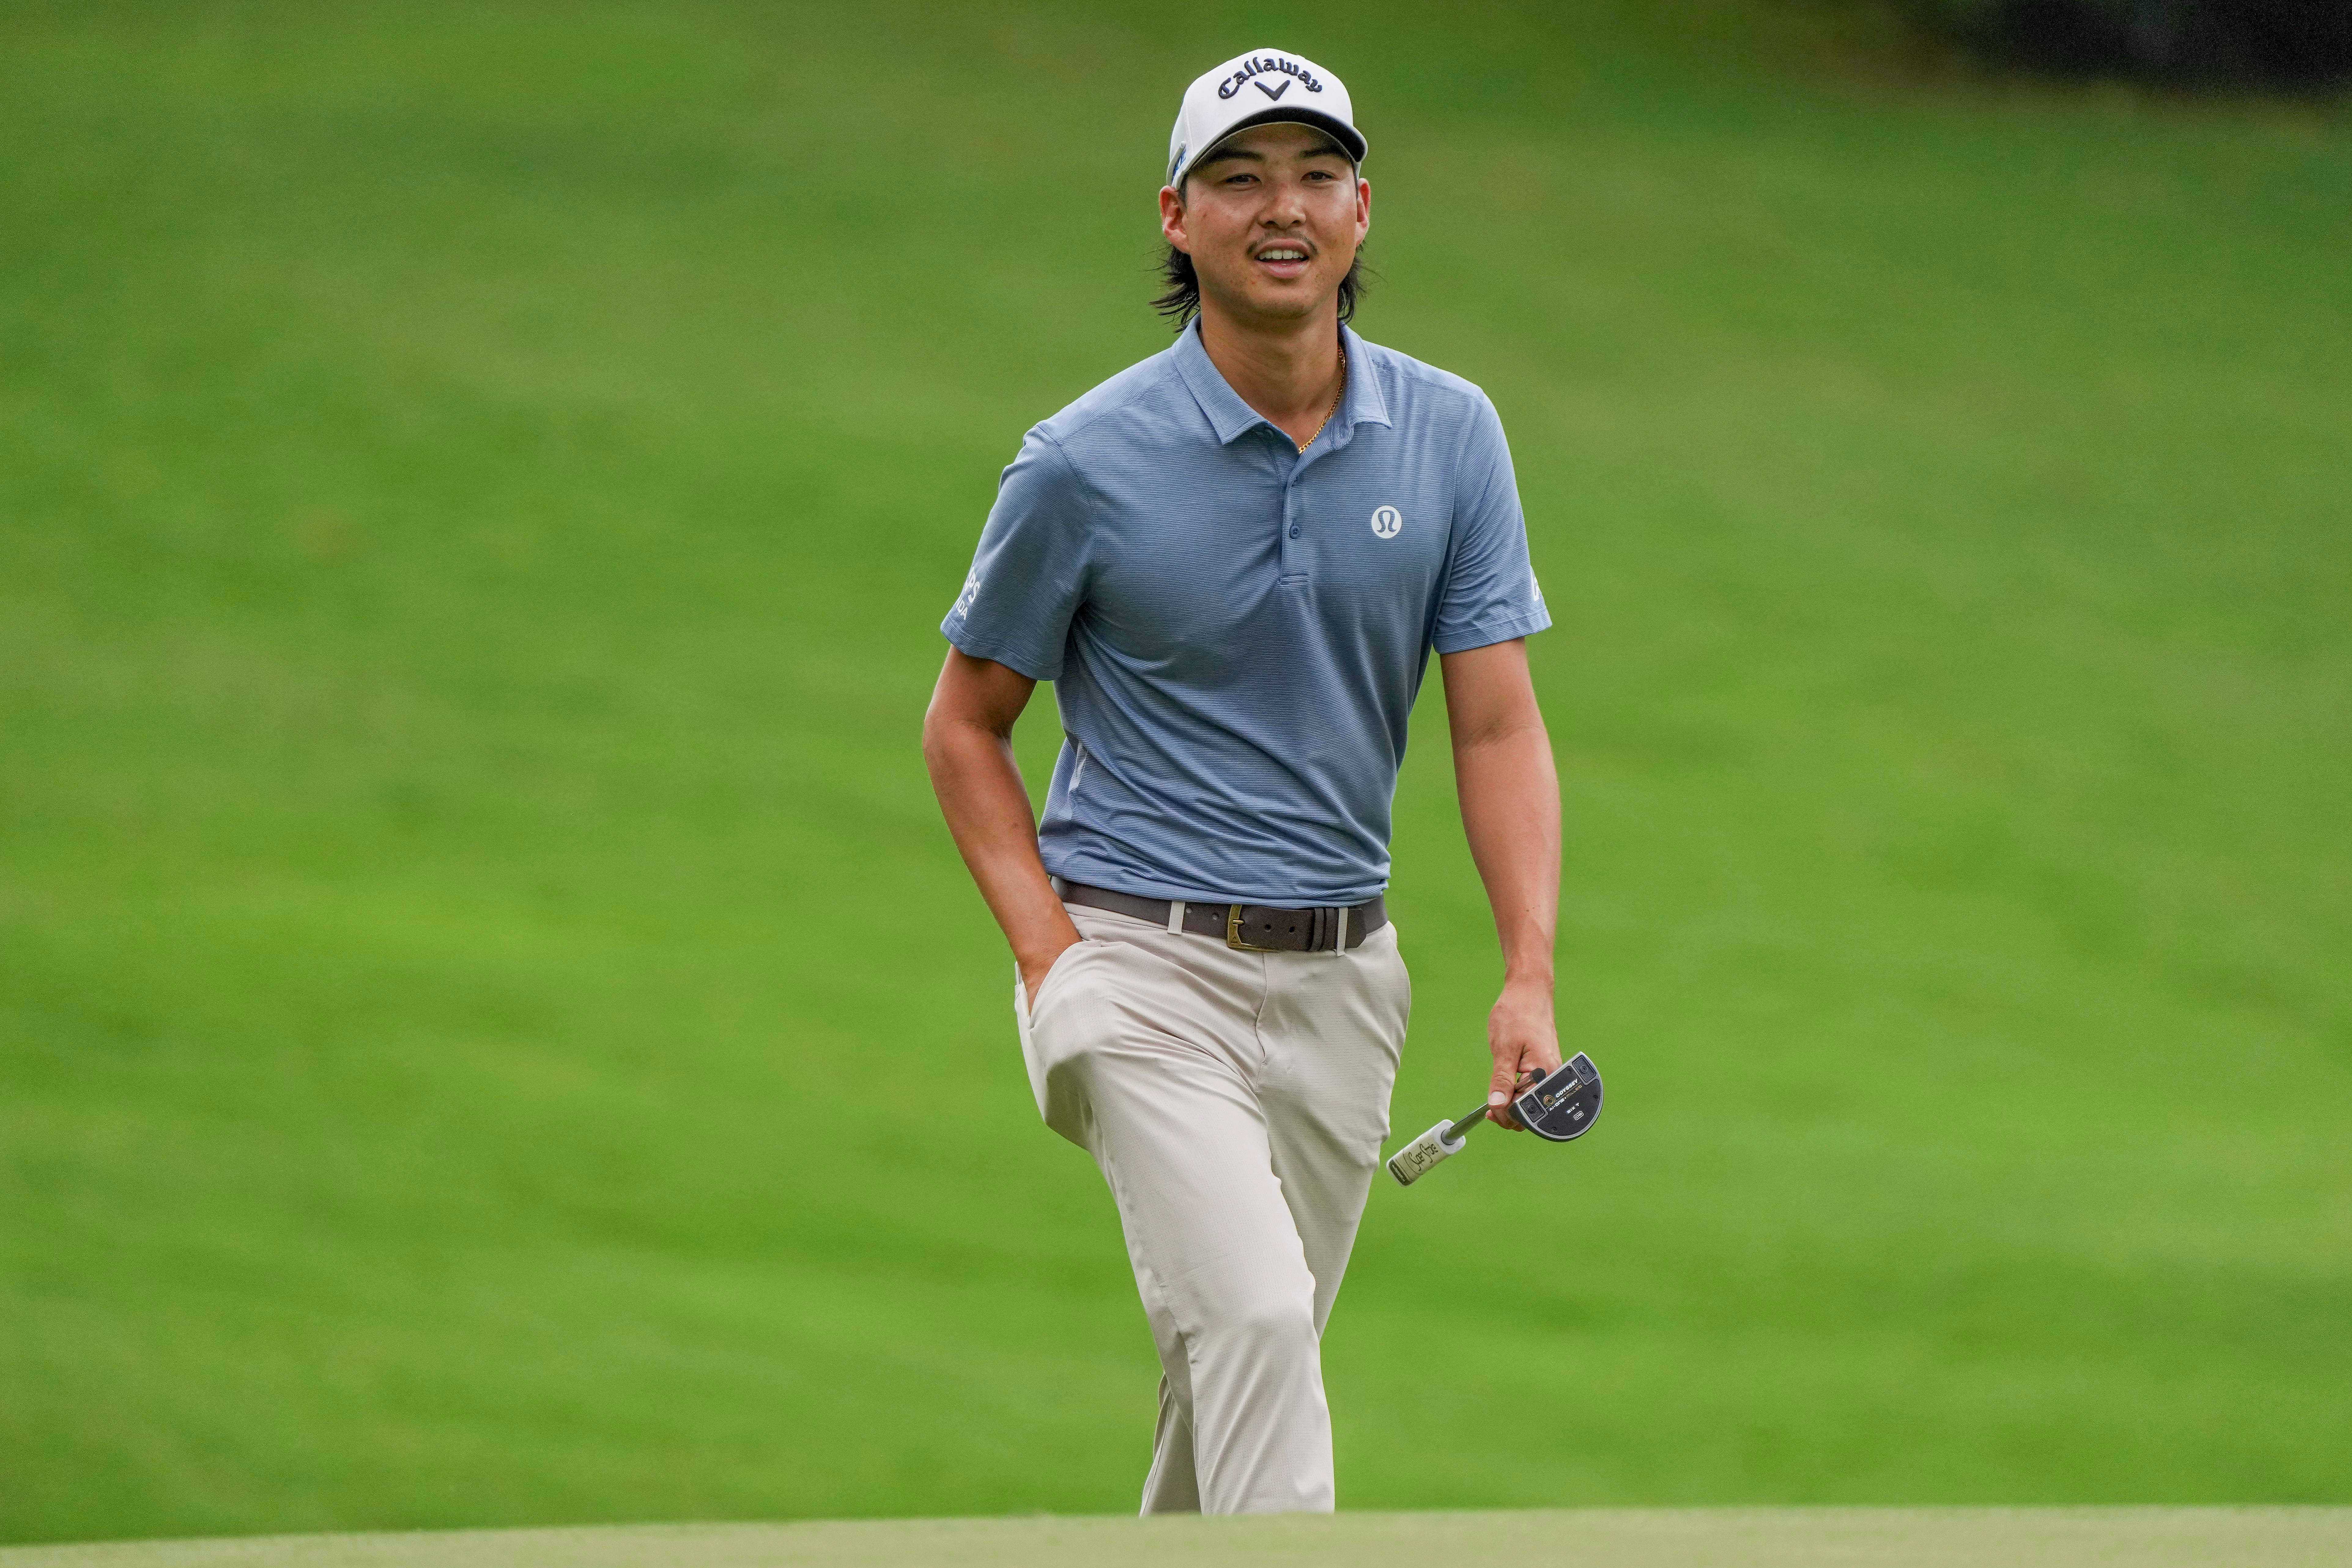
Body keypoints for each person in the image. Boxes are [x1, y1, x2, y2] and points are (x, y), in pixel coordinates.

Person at [922, 46, 1560, 1515]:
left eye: (1315, 175)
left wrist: (1526, 973)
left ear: (1361, 210)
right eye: (1239, 177)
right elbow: (967, 726)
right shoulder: (1083, 462)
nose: (1284, 207)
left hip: (1347, 982)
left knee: (1240, 1382)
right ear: (1177, 215)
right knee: (1261, 1326)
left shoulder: (1451, 434)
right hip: (1136, 964)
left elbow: (1496, 730)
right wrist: (1050, 961)